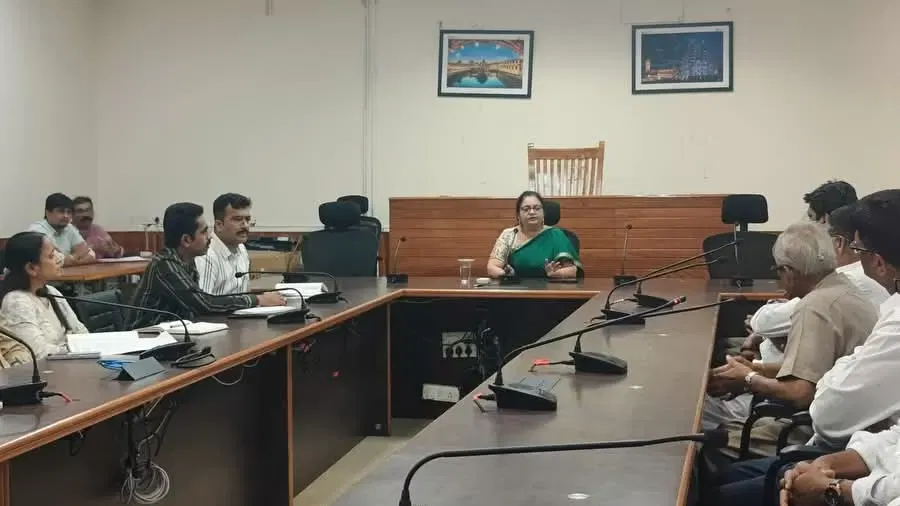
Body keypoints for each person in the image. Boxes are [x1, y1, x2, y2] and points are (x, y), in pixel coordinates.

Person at [713, 190, 900, 506]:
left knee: (717, 474)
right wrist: (828, 468)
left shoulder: (820, 305)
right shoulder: (849, 289)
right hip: (862, 456)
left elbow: (822, 409)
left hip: (826, 443)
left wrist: (835, 488)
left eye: (858, 249)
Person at [703, 206, 889, 430]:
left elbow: (801, 393)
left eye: (778, 271)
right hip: (859, 417)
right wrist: (758, 368)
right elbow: (817, 372)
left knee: (703, 413)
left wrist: (749, 378)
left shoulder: (814, 307)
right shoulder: (845, 287)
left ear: (789, 272)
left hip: (811, 427)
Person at [126, 202, 285, 329]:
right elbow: (205, 303)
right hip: (143, 343)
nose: (209, 237)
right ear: (186, 240)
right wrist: (257, 299)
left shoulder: (187, 261)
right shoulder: (165, 266)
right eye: (203, 232)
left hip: (172, 337)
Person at [0, 232, 89, 363]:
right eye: (51, 256)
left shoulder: (51, 291)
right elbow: (39, 353)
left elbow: (80, 331)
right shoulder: (17, 302)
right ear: (32, 268)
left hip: (70, 364)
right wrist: (76, 350)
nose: (60, 259)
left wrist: (87, 347)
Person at [779, 423, 900, 506]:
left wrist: (833, 488)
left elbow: (825, 421)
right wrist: (821, 466)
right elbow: (895, 437)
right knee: (790, 482)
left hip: (876, 496)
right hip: (867, 485)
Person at [486, 191, 581, 279]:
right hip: (515, 287)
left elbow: (573, 271)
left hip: (550, 288)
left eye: (537, 208)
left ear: (543, 213)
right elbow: (492, 267)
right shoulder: (509, 235)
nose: (532, 212)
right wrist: (507, 275)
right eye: (526, 209)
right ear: (518, 214)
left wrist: (556, 273)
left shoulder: (556, 235)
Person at [196, 193, 252, 295]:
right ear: (219, 225)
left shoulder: (241, 249)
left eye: (247, 219)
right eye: (238, 219)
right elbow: (203, 302)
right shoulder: (206, 256)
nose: (245, 225)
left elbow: (245, 294)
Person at [28, 193, 96, 266]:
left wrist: (71, 260)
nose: (66, 216)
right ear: (48, 213)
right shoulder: (36, 231)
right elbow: (54, 260)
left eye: (68, 212)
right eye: (61, 211)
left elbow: (89, 253)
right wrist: (75, 258)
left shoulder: (69, 228)